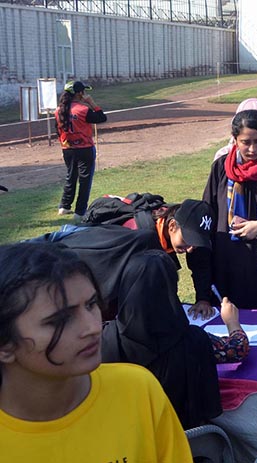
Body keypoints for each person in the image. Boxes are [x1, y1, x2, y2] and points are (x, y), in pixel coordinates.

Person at [0, 242, 192, 461]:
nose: (92, 327)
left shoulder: (137, 389)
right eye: (61, 320)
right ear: (4, 345)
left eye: (91, 304)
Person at [102, 250, 225, 429]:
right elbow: (210, 408)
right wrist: (233, 323)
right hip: (185, 444)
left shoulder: (104, 341)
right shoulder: (194, 340)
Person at [196, 110, 257, 312]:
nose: (252, 149)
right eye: (245, 142)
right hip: (227, 267)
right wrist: (203, 293)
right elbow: (206, 220)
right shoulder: (220, 170)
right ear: (235, 140)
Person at [55, 81, 107, 221]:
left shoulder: (58, 110)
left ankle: (64, 206)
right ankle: (80, 212)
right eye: (83, 92)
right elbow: (102, 118)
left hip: (68, 148)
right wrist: (92, 103)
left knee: (70, 176)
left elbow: (57, 130)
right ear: (79, 93)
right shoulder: (83, 110)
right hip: (84, 148)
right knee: (85, 180)